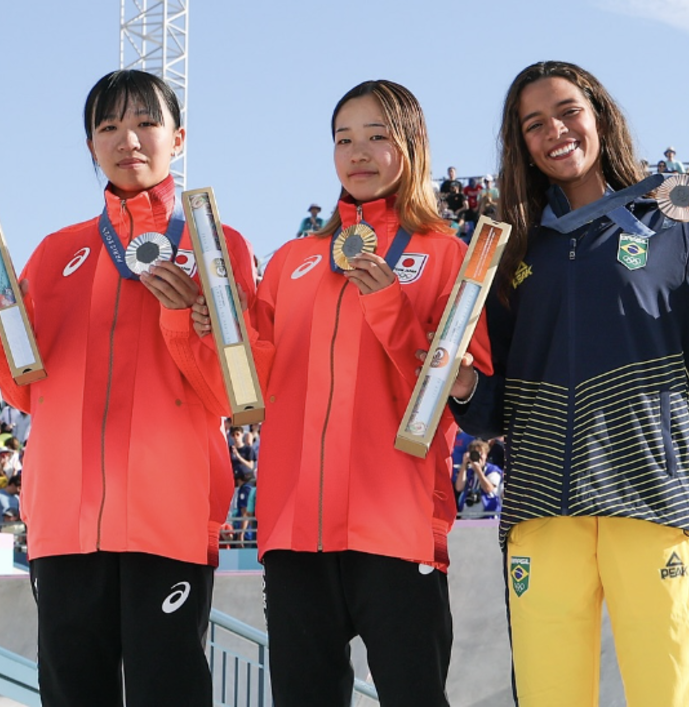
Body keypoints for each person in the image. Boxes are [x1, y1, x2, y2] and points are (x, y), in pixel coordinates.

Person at [448, 61, 689, 707]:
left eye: (568, 111)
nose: (556, 130)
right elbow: (494, 413)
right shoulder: (510, 249)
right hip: (540, 514)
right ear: (519, 143)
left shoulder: (672, 222)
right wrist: (464, 385)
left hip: (651, 499)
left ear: (599, 114)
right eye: (534, 124)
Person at [0, 69, 259, 707]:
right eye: (108, 127)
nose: (128, 139)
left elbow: (235, 395)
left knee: (168, 688)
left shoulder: (216, 246)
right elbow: (28, 392)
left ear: (178, 138)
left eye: (145, 123)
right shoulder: (55, 253)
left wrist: (185, 322)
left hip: (168, 514)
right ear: (91, 146)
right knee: (72, 691)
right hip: (64, 521)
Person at [200, 79, 490, 706]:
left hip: (397, 528)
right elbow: (247, 388)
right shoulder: (292, 261)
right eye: (343, 139)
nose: (358, 152)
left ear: (411, 145)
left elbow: (465, 392)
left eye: (377, 136)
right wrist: (203, 326)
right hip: (293, 531)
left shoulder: (447, 256)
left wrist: (389, 301)